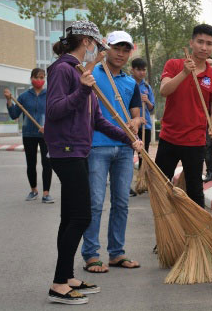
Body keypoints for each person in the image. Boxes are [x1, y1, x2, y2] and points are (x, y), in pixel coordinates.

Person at [45, 21, 142, 304]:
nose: (97, 52)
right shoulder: (63, 69)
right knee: (82, 216)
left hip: (78, 150)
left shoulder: (80, 72)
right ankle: (58, 284)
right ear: (86, 42)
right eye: (96, 46)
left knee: (70, 217)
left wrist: (128, 138)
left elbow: (97, 120)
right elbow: (54, 110)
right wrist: (82, 90)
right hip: (67, 150)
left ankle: (65, 277)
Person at [82, 31, 143, 273]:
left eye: (126, 49)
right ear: (107, 48)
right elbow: (79, 82)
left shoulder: (130, 83)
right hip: (97, 146)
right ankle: (91, 255)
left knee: (121, 203)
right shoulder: (92, 73)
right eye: (117, 47)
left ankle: (116, 253)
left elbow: (137, 114)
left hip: (125, 149)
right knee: (95, 203)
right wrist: (94, 61)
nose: (121, 53)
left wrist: (136, 123)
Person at [156, 24, 212, 208]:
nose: (204, 47)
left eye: (209, 43)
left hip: (195, 142)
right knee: (160, 188)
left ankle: (197, 234)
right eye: (200, 42)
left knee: (195, 193)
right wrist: (184, 73)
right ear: (191, 42)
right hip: (168, 138)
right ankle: (168, 232)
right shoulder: (174, 64)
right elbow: (164, 90)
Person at [4, 68, 53, 203]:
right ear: (31, 79)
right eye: (37, 77)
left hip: (46, 134)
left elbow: (55, 114)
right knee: (31, 164)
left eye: (42, 77)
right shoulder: (24, 97)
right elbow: (14, 114)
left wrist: (48, 127)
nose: (39, 80)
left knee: (47, 163)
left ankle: (46, 193)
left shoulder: (50, 95)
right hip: (29, 134)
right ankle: (33, 190)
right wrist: (9, 101)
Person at [130, 57, 155, 184]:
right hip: (130, 126)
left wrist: (147, 101)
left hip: (146, 127)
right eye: (138, 70)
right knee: (128, 154)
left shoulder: (147, 87)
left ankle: (142, 181)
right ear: (132, 70)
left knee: (143, 154)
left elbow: (152, 109)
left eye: (143, 70)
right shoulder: (128, 83)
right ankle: (127, 183)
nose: (142, 72)